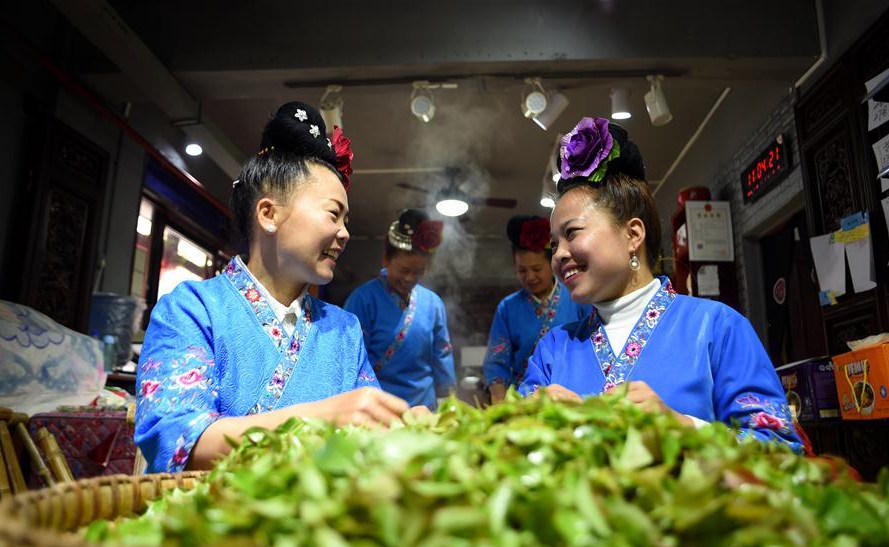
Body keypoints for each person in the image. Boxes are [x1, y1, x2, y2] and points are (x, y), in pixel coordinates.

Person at [135, 102, 415, 473]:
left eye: (347, 220)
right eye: (334, 214)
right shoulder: (190, 309)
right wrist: (324, 418)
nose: (345, 233)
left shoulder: (345, 330)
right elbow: (177, 438)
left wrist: (404, 428)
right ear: (268, 214)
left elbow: (368, 440)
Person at [519, 116, 803, 452]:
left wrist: (680, 427)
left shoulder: (717, 328)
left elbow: (782, 451)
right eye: (554, 244)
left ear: (633, 234)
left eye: (572, 233)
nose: (559, 256)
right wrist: (535, 427)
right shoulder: (552, 350)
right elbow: (507, 450)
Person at [344, 209, 456, 409]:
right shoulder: (363, 300)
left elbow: (442, 356)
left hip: (425, 409)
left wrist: (449, 401)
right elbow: (352, 361)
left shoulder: (433, 303)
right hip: (378, 409)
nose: (410, 278)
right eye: (404, 270)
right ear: (385, 259)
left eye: (419, 272)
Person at [482, 215, 588, 402]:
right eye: (522, 270)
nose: (530, 277)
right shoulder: (508, 308)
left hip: (571, 397)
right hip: (524, 400)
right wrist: (499, 403)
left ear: (551, 264)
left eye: (537, 269)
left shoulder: (577, 296)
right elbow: (497, 362)